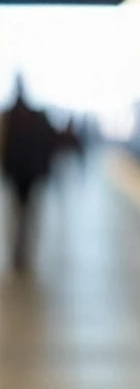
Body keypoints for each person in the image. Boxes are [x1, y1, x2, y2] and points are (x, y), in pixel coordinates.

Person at [1, 76, 61, 273]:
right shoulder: (37, 116)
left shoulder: (8, 116)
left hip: (15, 175)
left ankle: (17, 256)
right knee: (28, 216)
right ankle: (24, 255)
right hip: (32, 175)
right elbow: (49, 144)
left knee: (16, 215)